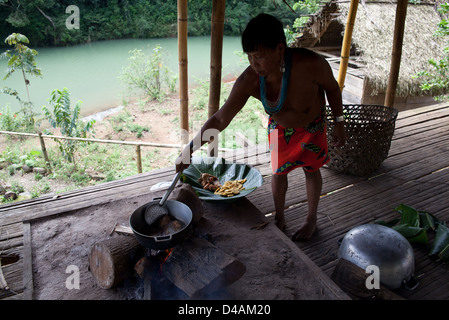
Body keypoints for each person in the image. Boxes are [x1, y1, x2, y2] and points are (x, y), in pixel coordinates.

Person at [175, 13, 346, 241]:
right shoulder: (250, 80)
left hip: (313, 127)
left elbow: (333, 90)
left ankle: (311, 219)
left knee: (312, 171)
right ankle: (280, 217)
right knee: (278, 172)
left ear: (279, 49)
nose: (254, 64)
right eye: (249, 57)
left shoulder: (311, 65)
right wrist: (189, 150)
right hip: (280, 130)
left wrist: (339, 123)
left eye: (260, 56)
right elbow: (219, 120)